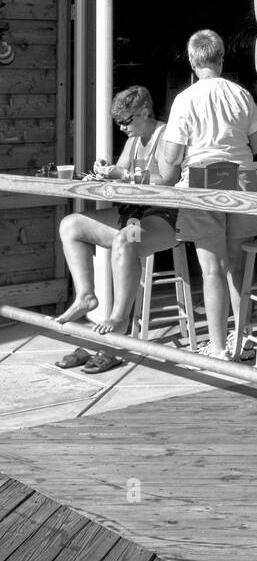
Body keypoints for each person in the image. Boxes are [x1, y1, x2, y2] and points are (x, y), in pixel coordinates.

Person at [156, 30, 257, 360]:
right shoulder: (240, 94)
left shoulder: (185, 99)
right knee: (238, 266)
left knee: (212, 270)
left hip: (203, 178)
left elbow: (172, 156)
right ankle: (243, 339)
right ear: (221, 58)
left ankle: (218, 348)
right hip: (241, 177)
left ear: (192, 62)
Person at [54, 86, 177, 372]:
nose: (121, 127)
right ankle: (85, 296)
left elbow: (167, 180)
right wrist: (105, 171)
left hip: (164, 217)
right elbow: (122, 175)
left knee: (125, 240)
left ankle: (119, 320)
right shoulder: (133, 140)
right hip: (134, 215)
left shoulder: (165, 135)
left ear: (144, 112)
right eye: (118, 123)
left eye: (126, 121)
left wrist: (123, 174)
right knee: (71, 225)